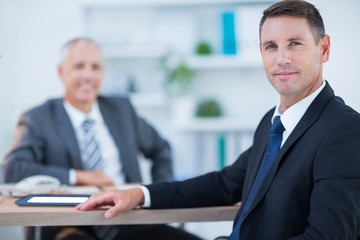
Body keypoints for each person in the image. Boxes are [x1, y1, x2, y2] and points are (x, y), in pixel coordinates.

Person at [76, 0, 360, 239]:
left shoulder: (343, 130)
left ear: (323, 49)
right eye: (271, 46)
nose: (281, 58)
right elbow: (224, 184)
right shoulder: (272, 123)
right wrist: (138, 194)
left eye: (294, 44)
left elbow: (328, 236)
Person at [3, 38, 201, 240]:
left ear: (103, 73)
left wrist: (158, 194)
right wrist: (78, 176)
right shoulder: (38, 118)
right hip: (69, 225)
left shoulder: (122, 110)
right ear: (61, 72)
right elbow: (13, 169)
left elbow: (161, 148)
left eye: (95, 67)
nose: (88, 76)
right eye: (79, 66)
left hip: (128, 220)